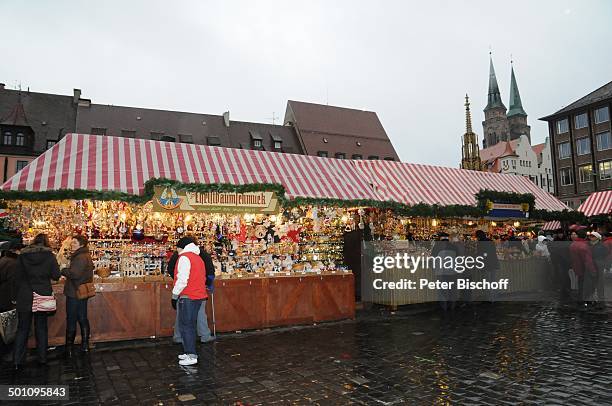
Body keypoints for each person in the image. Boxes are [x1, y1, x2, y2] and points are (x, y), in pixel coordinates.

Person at [13, 234, 61, 368]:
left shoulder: (22, 256)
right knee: (41, 327)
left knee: (22, 329)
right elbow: (56, 275)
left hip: (25, 295)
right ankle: (42, 358)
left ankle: (17, 361)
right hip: (42, 294)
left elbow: (16, 277)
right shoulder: (49, 256)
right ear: (46, 243)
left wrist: (14, 297)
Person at [168, 242, 216, 344]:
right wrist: (208, 283)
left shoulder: (183, 256)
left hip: (185, 291)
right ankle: (204, 335)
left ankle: (181, 340)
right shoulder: (200, 255)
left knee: (183, 317)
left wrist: (175, 290)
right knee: (200, 314)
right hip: (199, 290)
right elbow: (210, 270)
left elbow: (174, 272)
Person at [172, 237, 207, 366]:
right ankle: (188, 352)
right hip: (198, 295)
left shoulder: (184, 258)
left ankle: (191, 355)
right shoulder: (198, 257)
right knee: (190, 324)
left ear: (182, 247)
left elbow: (182, 279)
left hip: (188, 295)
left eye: (177, 248)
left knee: (186, 325)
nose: (176, 250)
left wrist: (174, 295)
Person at [61, 235, 94, 356]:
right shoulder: (84, 255)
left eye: (74, 243)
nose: (72, 244)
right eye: (72, 242)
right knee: (82, 317)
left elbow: (74, 274)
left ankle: (69, 348)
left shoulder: (80, 257)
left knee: (72, 318)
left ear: (81, 244)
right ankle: (84, 345)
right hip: (81, 291)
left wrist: (63, 270)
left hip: (75, 292)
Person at [0, 240, 21, 362]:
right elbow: (14, 284)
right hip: (8, 298)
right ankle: (9, 351)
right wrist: (14, 300)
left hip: (2, 297)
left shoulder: (3, 261)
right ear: (16, 250)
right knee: (9, 325)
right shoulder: (14, 264)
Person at [431, 232, 458, 313]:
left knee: (442, 289)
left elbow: (433, 259)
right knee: (451, 289)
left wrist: (433, 269)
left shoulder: (437, 246)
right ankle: (452, 306)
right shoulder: (453, 246)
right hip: (452, 271)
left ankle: (444, 307)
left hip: (441, 271)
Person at [569, 229, 597, 309]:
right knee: (587, 285)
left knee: (580, 284)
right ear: (585, 236)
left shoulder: (573, 244)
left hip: (577, 268)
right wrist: (593, 270)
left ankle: (580, 299)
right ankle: (586, 300)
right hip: (585, 269)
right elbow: (588, 260)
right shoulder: (584, 246)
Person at [475, 230, 500, 302]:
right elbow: (493, 252)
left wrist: (481, 257)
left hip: (486, 264)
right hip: (494, 262)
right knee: (493, 280)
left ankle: (489, 298)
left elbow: (482, 253)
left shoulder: (480, 243)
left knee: (487, 281)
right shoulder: (490, 241)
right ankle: (494, 296)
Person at [549, 231, 572, 303]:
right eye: (559, 233)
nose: (560, 234)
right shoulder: (555, 241)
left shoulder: (566, 240)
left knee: (565, 274)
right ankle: (563, 288)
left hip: (565, 261)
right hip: (558, 261)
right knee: (561, 274)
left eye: (561, 233)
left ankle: (566, 288)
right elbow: (552, 250)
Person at [588, 232, 609, 309]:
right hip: (592, 265)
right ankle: (593, 298)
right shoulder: (590, 245)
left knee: (600, 283)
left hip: (599, 265)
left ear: (597, 238)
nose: (591, 237)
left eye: (593, 236)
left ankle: (601, 299)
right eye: (590, 236)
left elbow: (606, 253)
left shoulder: (601, 246)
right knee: (592, 282)